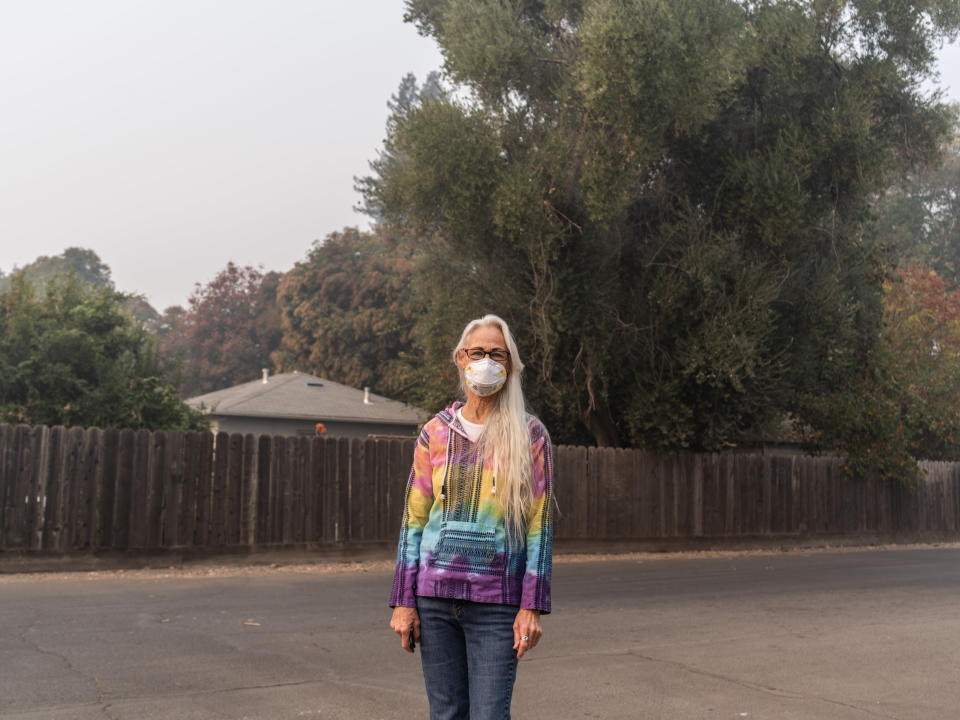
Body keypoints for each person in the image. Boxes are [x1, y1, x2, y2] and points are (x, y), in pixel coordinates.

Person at [389, 314, 554, 720]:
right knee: (445, 714)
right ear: (461, 358)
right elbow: (413, 521)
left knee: (489, 715)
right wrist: (402, 601)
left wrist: (531, 606)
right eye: (478, 352)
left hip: (497, 605)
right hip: (435, 600)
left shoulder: (529, 434)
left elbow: (539, 526)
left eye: (497, 354)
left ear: (510, 365)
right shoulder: (435, 432)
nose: (486, 361)